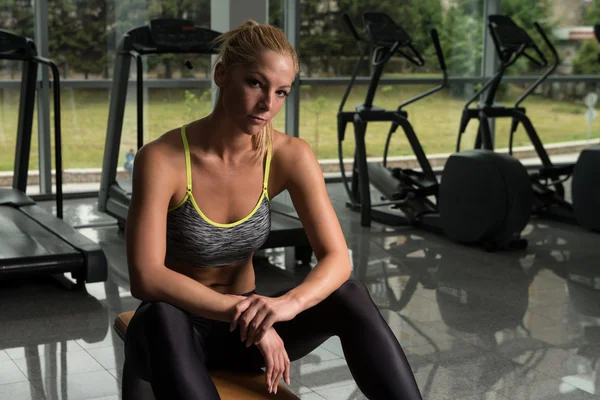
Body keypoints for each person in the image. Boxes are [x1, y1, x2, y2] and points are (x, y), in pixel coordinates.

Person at [122, 20, 422, 400]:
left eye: (281, 92)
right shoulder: (162, 159)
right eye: (255, 83)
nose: (268, 105)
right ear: (221, 75)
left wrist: (283, 307)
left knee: (350, 295)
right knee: (162, 313)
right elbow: (146, 277)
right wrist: (241, 313)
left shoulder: (289, 155)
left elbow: (337, 260)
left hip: (243, 332)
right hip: (176, 333)